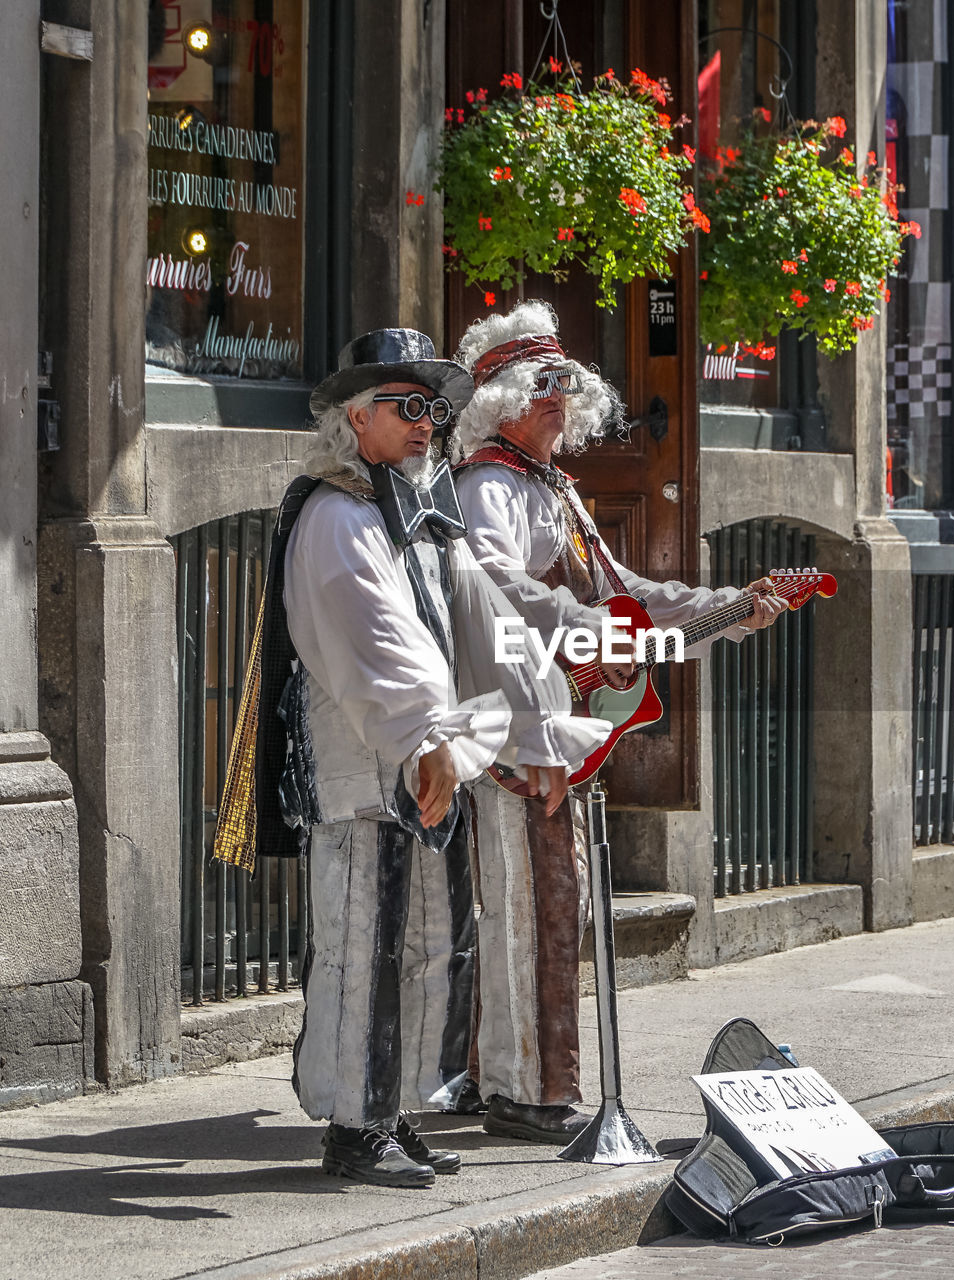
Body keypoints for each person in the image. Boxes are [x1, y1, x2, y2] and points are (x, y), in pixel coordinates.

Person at [217, 328, 609, 1187]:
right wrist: (430, 737)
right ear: (356, 417)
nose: (429, 422)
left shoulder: (425, 513)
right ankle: (355, 1128)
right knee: (362, 944)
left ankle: (395, 1111)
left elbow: (491, 627)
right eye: (408, 406)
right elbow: (375, 636)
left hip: (422, 768)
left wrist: (537, 728)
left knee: (433, 943)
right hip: (363, 771)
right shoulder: (339, 511)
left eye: (435, 407)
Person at [450, 301, 787, 1143]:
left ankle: (526, 1083)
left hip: (549, 725)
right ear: (502, 403)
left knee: (553, 901)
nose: (560, 407)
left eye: (566, 391)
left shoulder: (549, 487)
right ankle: (521, 1088)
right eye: (543, 391)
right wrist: (593, 629)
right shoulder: (489, 485)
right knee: (531, 906)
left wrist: (731, 608)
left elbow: (626, 594)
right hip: (513, 725)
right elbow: (497, 588)